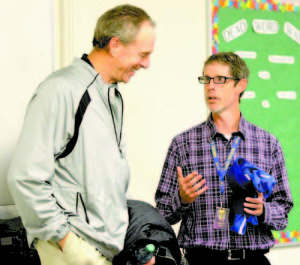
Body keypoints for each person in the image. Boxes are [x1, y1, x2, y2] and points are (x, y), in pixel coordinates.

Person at [8, 4, 156, 265]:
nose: (146, 64)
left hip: (100, 250)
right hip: (71, 250)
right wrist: (66, 242)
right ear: (115, 45)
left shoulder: (110, 96)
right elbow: (24, 177)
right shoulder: (63, 90)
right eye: (143, 54)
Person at [155, 52, 293, 265]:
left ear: (241, 85)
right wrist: (181, 199)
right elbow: (162, 215)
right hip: (200, 260)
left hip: (252, 260)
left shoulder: (268, 143)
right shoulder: (183, 143)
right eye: (206, 79)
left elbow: (283, 210)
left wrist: (264, 209)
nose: (210, 86)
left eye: (220, 79)